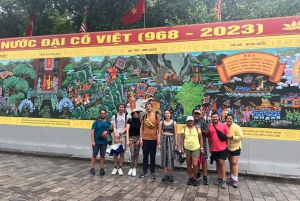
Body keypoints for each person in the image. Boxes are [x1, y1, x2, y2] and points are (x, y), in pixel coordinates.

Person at [208, 112, 230, 189]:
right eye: (213, 117)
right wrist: (210, 147)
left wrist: (228, 146)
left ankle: (224, 180)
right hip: (214, 148)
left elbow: (228, 137)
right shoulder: (210, 126)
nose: (214, 118)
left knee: (221, 163)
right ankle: (219, 178)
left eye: (216, 117)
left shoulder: (224, 126)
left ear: (219, 117)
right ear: (211, 118)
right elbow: (209, 138)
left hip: (223, 148)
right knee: (217, 163)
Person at [181, 116, 204, 186]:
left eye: (191, 121)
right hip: (187, 148)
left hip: (196, 148)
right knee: (188, 164)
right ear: (187, 122)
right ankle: (190, 178)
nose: (190, 122)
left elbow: (201, 139)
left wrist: (202, 148)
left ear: (193, 121)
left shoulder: (197, 129)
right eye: (189, 121)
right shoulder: (184, 129)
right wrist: (182, 148)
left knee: (195, 164)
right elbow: (182, 139)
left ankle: (194, 178)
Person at [139, 102, 160, 179]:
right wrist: (141, 138)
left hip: (153, 140)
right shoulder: (144, 117)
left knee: (152, 156)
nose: (148, 108)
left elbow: (159, 129)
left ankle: (153, 171)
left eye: (149, 106)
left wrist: (158, 140)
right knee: (145, 156)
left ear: (152, 107)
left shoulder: (156, 116)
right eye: (147, 107)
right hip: (145, 139)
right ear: (145, 108)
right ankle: (144, 171)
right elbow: (141, 128)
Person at [157, 110, 178, 182]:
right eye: (165, 113)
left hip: (171, 140)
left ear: (170, 114)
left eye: (168, 113)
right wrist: (158, 143)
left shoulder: (174, 123)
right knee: (164, 156)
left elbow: (175, 134)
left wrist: (176, 144)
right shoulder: (161, 122)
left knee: (171, 157)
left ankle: (171, 174)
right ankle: (166, 174)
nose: (167, 114)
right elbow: (159, 133)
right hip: (164, 140)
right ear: (164, 115)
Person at [225, 114, 244, 188]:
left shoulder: (236, 127)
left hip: (236, 147)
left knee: (234, 162)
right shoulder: (224, 125)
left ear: (233, 119)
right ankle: (231, 177)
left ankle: (235, 179)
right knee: (230, 162)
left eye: (230, 118)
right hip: (228, 147)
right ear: (225, 119)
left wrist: (232, 137)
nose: (229, 120)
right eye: (227, 118)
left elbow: (241, 137)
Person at [90, 109, 111, 175]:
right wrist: (93, 141)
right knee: (94, 155)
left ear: (105, 114)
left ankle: (101, 168)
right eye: (101, 113)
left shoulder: (108, 122)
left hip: (104, 142)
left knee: (102, 155)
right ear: (100, 114)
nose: (103, 114)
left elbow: (111, 130)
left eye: (104, 113)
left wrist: (106, 132)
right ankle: (92, 168)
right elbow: (92, 132)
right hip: (96, 142)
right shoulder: (96, 122)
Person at [111, 103, 130, 176]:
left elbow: (126, 127)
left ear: (124, 108)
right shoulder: (114, 116)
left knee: (122, 152)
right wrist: (116, 135)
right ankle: (115, 167)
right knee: (115, 152)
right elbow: (114, 126)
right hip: (116, 136)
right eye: (120, 107)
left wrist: (119, 134)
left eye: (122, 107)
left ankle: (120, 168)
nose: (121, 108)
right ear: (118, 108)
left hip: (123, 136)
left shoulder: (127, 116)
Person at [193, 109, 209, 185]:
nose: (196, 115)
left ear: (200, 115)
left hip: (202, 144)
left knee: (204, 160)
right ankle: (198, 174)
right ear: (193, 115)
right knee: (196, 161)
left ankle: (205, 176)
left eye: (198, 114)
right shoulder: (191, 122)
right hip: (193, 144)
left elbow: (207, 133)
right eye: (195, 114)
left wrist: (201, 130)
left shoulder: (203, 123)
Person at [126, 109, 141, 177]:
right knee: (132, 154)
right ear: (132, 114)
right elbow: (127, 130)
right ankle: (131, 167)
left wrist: (140, 139)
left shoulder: (140, 121)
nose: (135, 114)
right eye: (134, 113)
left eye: (136, 113)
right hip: (131, 138)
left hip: (137, 138)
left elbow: (141, 130)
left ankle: (134, 168)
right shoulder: (130, 120)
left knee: (136, 154)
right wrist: (127, 140)